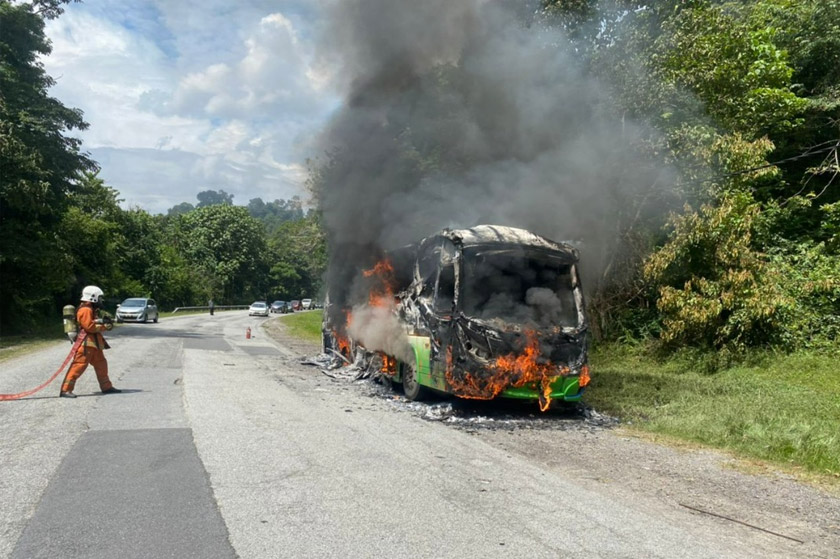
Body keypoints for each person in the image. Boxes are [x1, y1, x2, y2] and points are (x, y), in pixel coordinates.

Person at [60, 285, 121, 398]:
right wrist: (104, 327)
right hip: (86, 345)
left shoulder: (91, 309)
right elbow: (89, 327)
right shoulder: (85, 310)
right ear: (93, 297)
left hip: (94, 345)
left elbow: (93, 323)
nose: (100, 300)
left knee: (102, 365)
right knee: (79, 366)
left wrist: (104, 323)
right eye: (99, 297)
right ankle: (65, 390)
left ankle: (106, 387)